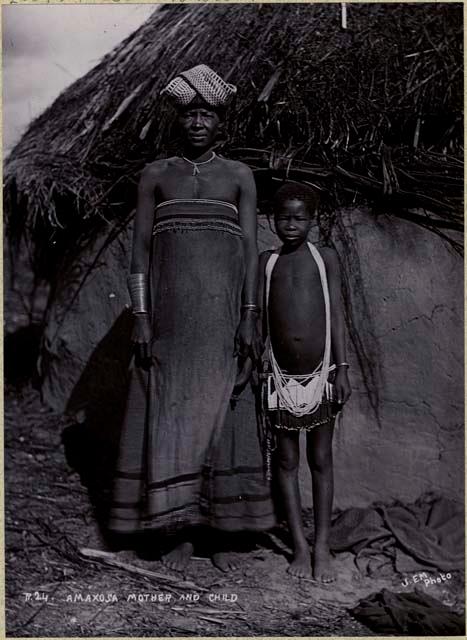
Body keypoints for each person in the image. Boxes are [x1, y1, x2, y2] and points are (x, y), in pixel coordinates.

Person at [108, 65, 275, 572]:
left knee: (225, 417)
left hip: (222, 322)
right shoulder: (156, 174)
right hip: (170, 326)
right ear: (179, 119)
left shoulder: (239, 176)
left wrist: (249, 316)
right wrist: (140, 316)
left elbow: (249, 253)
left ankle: (222, 532)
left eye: (207, 114)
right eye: (190, 113)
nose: (198, 122)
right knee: (171, 417)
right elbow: (138, 251)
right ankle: (176, 531)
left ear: (220, 121)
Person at [259, 183, 351, 582]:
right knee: (285, 460)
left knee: (321, 459)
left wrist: (342, 367)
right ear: (272, 219)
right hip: (280, 377)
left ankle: (322, 547)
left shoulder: (324, 257)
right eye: (283, 217)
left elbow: (337, 315)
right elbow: (260, 317)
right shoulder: (266, 262)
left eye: (299, 218)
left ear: (312, 220)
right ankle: (298, 547)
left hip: (322, 373)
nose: (290, 225)